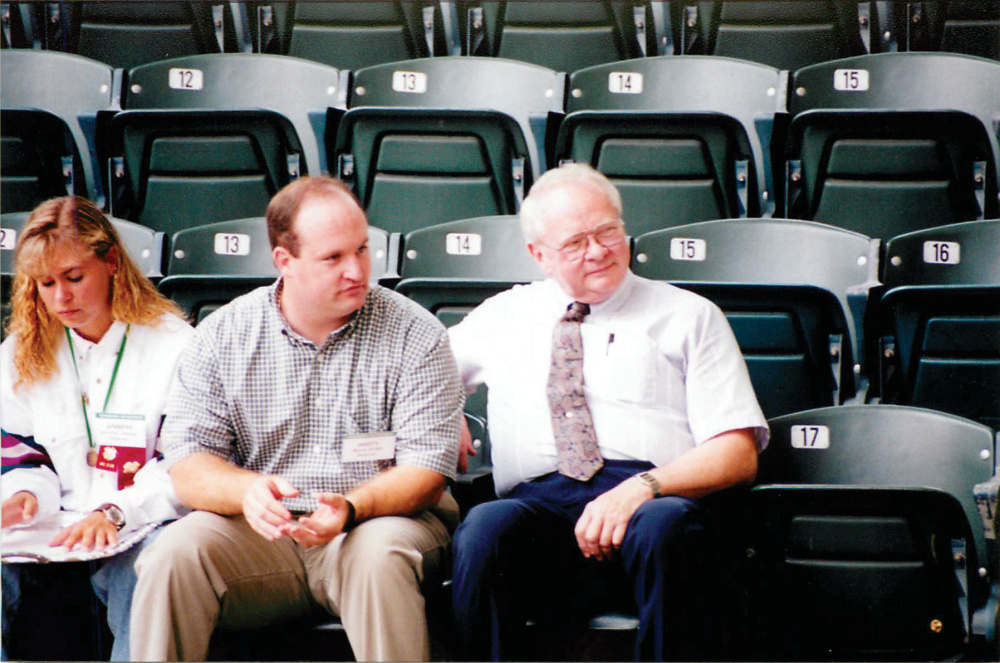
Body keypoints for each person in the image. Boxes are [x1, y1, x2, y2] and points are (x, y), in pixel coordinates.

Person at [129, 176, 464, 662]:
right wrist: (247, 491)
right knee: (172, 554)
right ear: (284, 261)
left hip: (377, 521)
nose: (357, 270)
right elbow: (189, 465)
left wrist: (348, 509)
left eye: (363, 250)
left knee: (378, 556)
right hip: (266, 534)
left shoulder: (417, 333)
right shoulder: (222, 335)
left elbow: (426, 474)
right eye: (334, 257)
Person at [449, 164, 770, 661]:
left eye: (606, 232)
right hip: (542, 514)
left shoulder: (687, 314)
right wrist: (449, 414)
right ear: (539, 255)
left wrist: (640, 490)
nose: (597, 251)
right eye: (576, 242)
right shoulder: (502, 316)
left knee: (664, 527)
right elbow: (416, 383)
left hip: (654, 505)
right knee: (484, 530)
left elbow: (737, 453)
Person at [1, 196, 193, 661]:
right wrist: (25, 494)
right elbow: (22, 450)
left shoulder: (175, 345)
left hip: (143, 519)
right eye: (46, 284)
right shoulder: (18, 353)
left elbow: (183, 463)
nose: (61, 298)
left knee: (150, 567)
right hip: (55, 523)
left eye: (74, 278)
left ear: (111, 262)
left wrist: (114, 511)